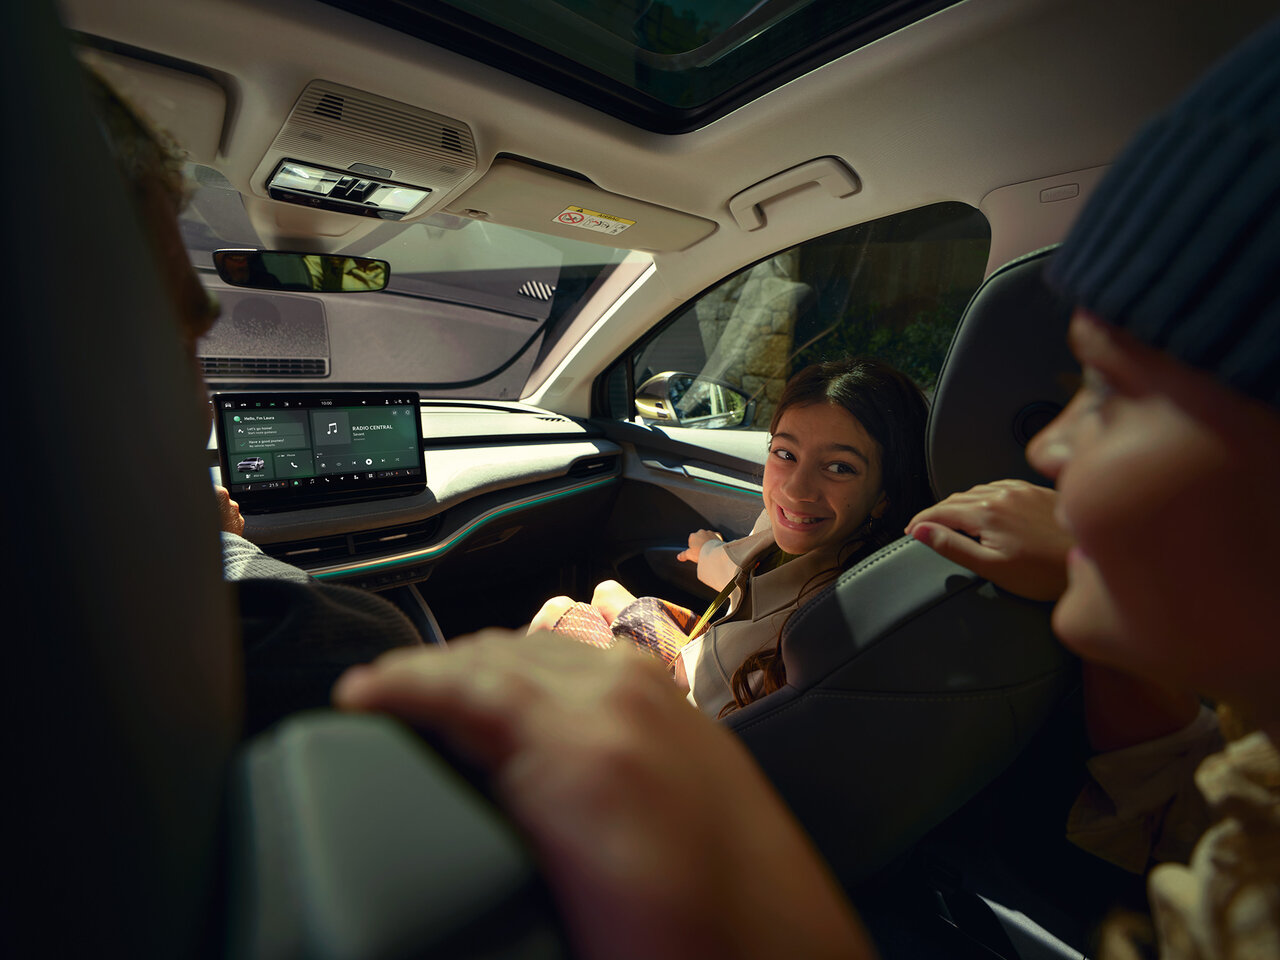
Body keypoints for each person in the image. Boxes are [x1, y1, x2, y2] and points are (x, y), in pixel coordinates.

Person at [334, 17, 1280, 960]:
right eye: (784, 451)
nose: (1053, 449)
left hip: (708, 722)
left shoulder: (860, 597)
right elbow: (1164, 799)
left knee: (563, 609)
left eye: (1112, 394)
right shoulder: (1242, 793)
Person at [86, 68, 425, 737]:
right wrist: (219, 545)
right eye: (176, 337)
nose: (200, 397)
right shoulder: (345, 654)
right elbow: (359, 652)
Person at [528, 356, 932, 717]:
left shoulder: (825, 619)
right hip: (699, 665)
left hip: (682, 723)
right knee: (608, 592)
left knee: (556, 611)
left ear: (884, 497)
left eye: (840, 468)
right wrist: (707, 549)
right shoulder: (815, 540)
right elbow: (739, 570)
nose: (795, 490)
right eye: (785, 454)